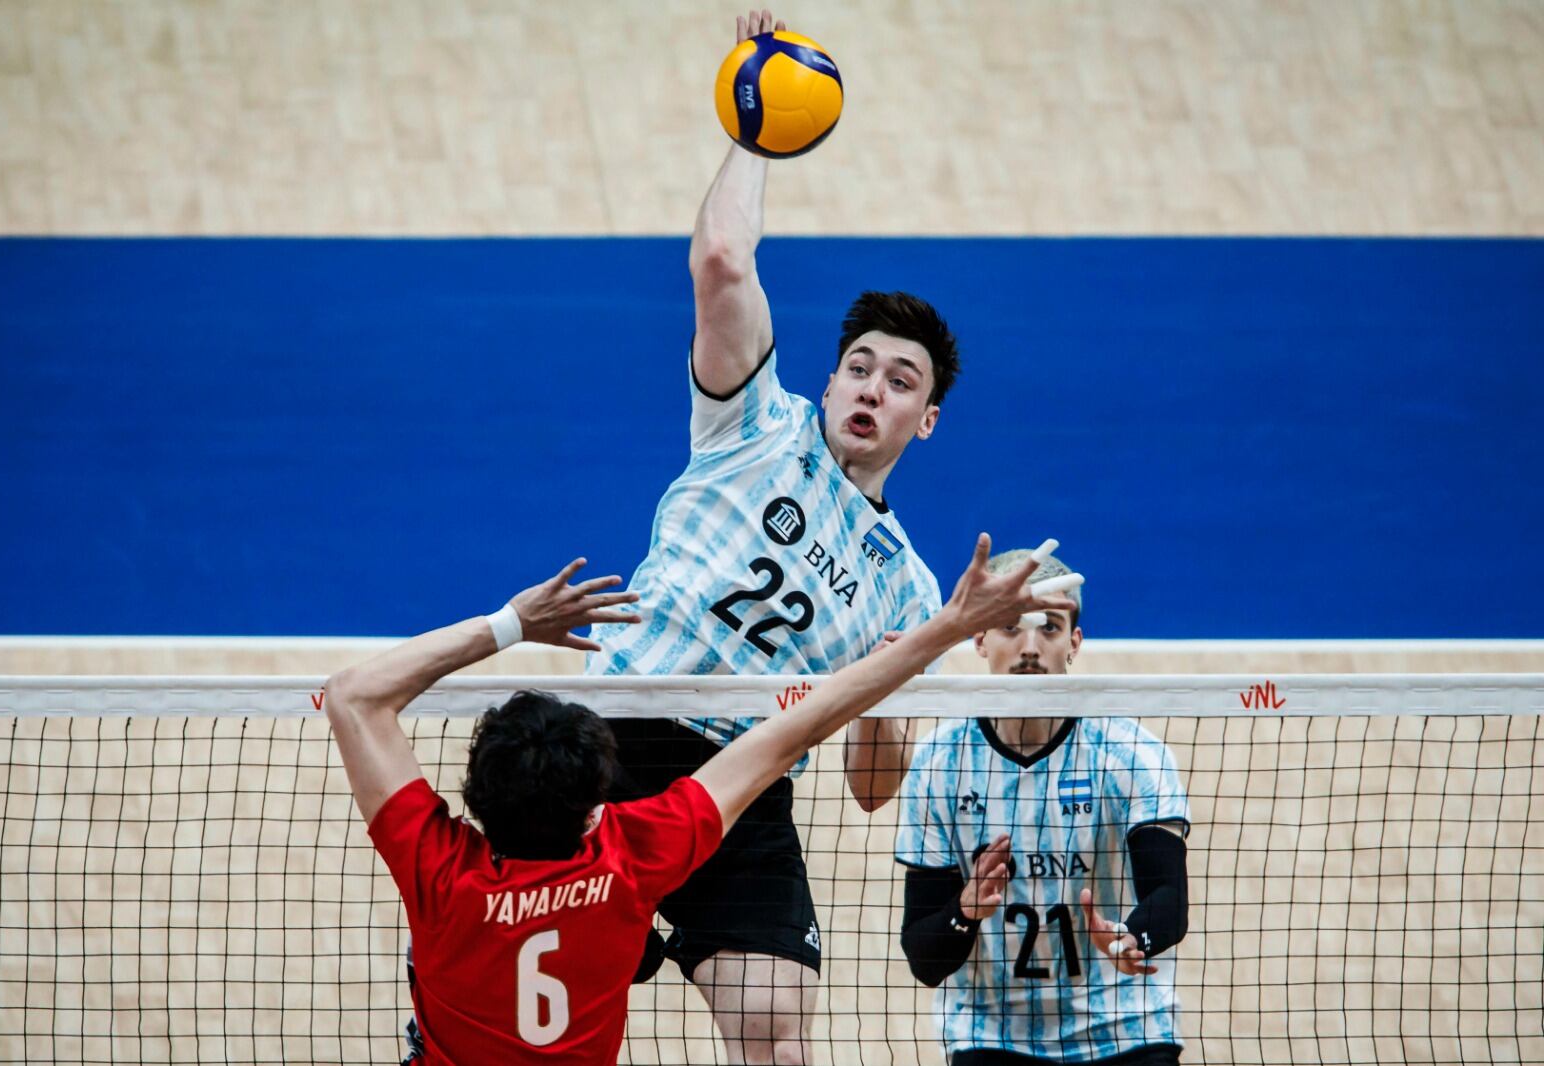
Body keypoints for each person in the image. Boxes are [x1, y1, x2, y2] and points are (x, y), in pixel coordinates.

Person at [583, 10, 963, 1062]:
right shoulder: (754, 419)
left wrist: (884, 694)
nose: (871, 389)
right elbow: (717, 258)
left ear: (921, 421)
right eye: (861, 366)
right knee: (536, 993)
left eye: (901, 382)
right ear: (831, 374)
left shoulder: (909, 587)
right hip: (614, 727)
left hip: (743, 779)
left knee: (776, 1026)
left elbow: (875, 789)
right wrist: (757, 128)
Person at [323, 537, 1074, 1066]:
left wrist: (513, 623)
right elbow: (793, 732)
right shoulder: (631, 857)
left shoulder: (439, 873)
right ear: (595, 811)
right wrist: (948, 627)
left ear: (474, 805)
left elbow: (355, 696)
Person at [894, 548, 1192, 1065]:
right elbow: (925, 957)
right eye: (1010, 627)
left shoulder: (1129, 751)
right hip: (991, 1034)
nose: (1030, 647)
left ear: (1074, 643)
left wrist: (1131, 936)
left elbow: (1169, 897)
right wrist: (965, 910)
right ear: (980, 638)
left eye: (1049, 628)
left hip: (1123, 1028)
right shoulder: (940, 762)